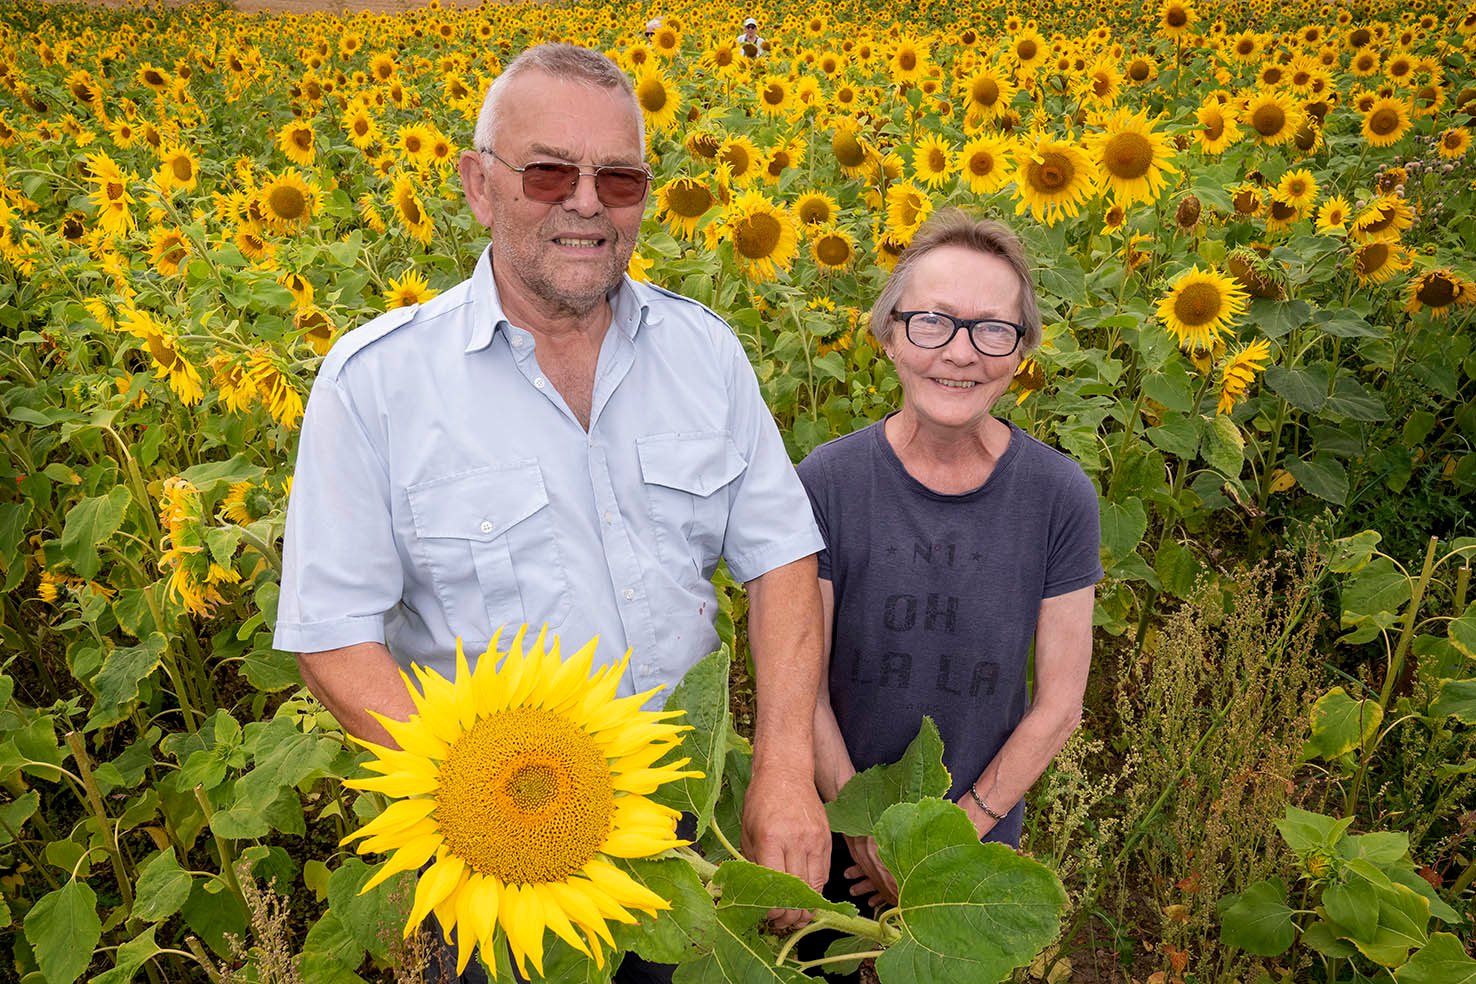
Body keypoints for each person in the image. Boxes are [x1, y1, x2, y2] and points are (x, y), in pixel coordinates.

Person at [274, 43, 829, 983]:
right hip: (501, 859)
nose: (586, 203)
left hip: (697, 814)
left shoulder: (705, 353)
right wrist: (481, 803)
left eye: (618, 178)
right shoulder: (377, 383)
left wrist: (781, 765)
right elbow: (331, 635)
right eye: (547, 172)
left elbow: (782, 560)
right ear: (478, 185)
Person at [796, 210, 1101, 930]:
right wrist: (865, 836)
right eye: (932, 322)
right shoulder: (828, 483)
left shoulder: (1058, 497)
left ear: (1022, 352)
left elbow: (1060, 704)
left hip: (974, 843)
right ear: (890, 335)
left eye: (993, 329)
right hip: (834, 827)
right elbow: (798, 682)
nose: (960, 353)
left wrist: (954, 842)